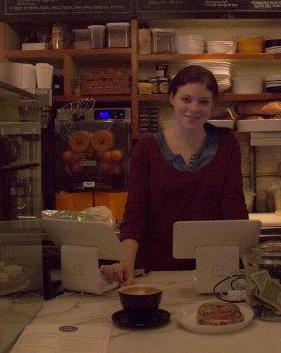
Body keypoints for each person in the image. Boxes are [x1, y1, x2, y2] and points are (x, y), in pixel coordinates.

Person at [101, 65, 248, 286]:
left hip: (214, 271)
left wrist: (241, 265)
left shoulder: (227, 144)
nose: (194, 108)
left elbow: (234, 210)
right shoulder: (146, 148)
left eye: (203, 101)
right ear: (172, 98)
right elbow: (135, 215)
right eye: (186, 99)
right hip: (155, 273)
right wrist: (125, 264)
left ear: (213, 105)